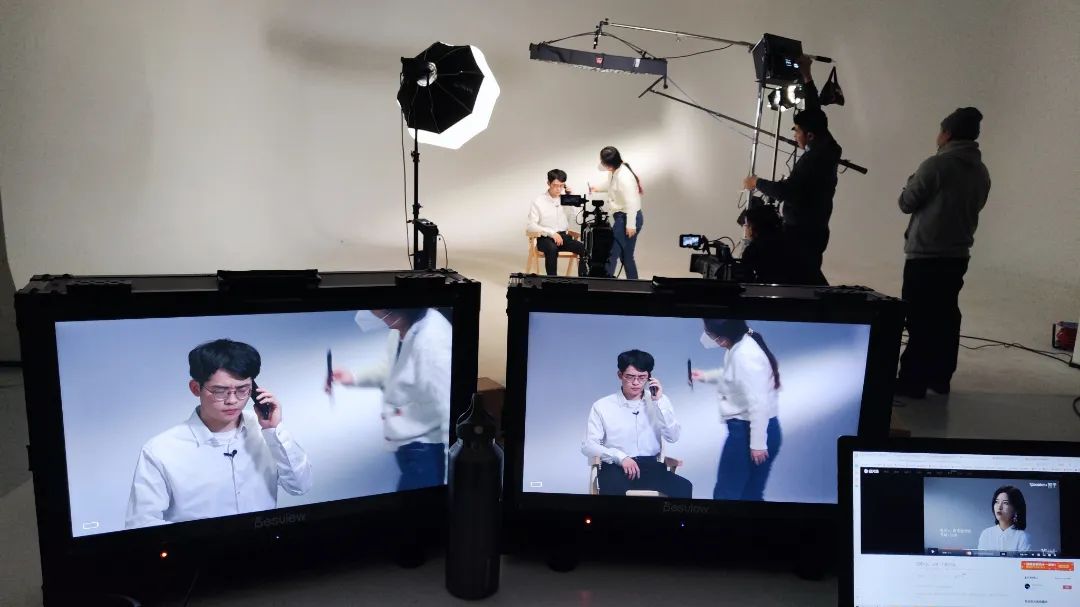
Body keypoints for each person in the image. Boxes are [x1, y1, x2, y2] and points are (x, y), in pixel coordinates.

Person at [125, 339, 312, 528]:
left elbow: (300, 486)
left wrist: (273, 430)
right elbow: (140, 523)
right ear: (196, 388)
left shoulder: (266, 431)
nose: (232, 400)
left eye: (242, 390)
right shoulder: (160, 450)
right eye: (220, 391)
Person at [894, 107, 991, 399]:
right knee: (946, 317)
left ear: (947, 134)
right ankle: (940, 378)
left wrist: (911, 180)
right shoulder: (981, 171)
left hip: (925, 255)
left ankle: (912, 382)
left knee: (919, 319)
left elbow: (906, 203)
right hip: (957, 255)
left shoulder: (935, 166)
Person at [744, 56, 841, 286]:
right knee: (806, 276)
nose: (795, 135)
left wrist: (756, 182)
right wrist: (807, 76)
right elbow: (815, 112)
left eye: (797, 130)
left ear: (810, 136)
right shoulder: (830, 147)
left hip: (801, 234)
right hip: (816, 230)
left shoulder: (812, 161)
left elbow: (786, 192)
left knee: (800, 281)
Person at [330, 308, 451, 491]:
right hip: (409, 446)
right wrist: (353, 377)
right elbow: (392, 368)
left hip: (427, 450)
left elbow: (450, 410)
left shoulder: (433, 343)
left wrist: (451, 479)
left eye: (381, 315)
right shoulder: (401, 329)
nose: (380, 320)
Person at [582, 349, 692, 498]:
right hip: (616, 467)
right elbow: (588, 445)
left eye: (642, 377)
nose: (636, 383)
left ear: (649, 377)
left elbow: (673, 437)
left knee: (684, 487)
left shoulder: (660, 401)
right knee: (613, 489)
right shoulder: (602, 406)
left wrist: (658, 402)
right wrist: (620, 457)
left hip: (651, 468)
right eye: (630, 377)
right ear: (620, 375)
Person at [692, 319, 782, 501]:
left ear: (722, 339)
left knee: (727, 494)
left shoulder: (745, 355)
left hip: (749, 432)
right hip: (760, 429)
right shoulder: (741, 343)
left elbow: (759, 404)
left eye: (709, 333)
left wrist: (757, 444)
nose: (707, 336)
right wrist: (705, 376)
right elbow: (734, 377)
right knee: (750, 494)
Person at [589, 146, 644, 279]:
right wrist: (596, 188)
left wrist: (630, 225)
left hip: (628, 218)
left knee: (612, 252)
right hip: (625, 217)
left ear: (609, 165)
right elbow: (611, 184)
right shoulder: (616, 169)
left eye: (602, 161)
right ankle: (634, 284)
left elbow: (632, 202)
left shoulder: (625, 177)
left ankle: (605, 283)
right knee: (626, 256)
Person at [527, 169, 587, 276]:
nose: (559, 189)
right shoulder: (539, 201)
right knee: (552, 248)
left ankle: (584, 279)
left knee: (584, 248)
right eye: (555, 185)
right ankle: (552, 281)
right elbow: (531, 226)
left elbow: (580, 218)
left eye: (561, 185)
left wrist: (572, 196)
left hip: (564, 237)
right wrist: (551, 233)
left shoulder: (566, 199)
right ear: (548, 183)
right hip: (545, 238)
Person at [738, 202, 811, 284]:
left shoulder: (753, 249)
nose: (745, 229)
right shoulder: (793, 242)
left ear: (753, 227)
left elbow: (746, 280)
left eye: (747, 225)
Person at [976, 485, 1032, 552]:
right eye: (997, 502)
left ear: (1016, 509)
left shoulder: (1022, 537)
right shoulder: (986, 534)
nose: (999, 507)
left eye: (1005, 503)